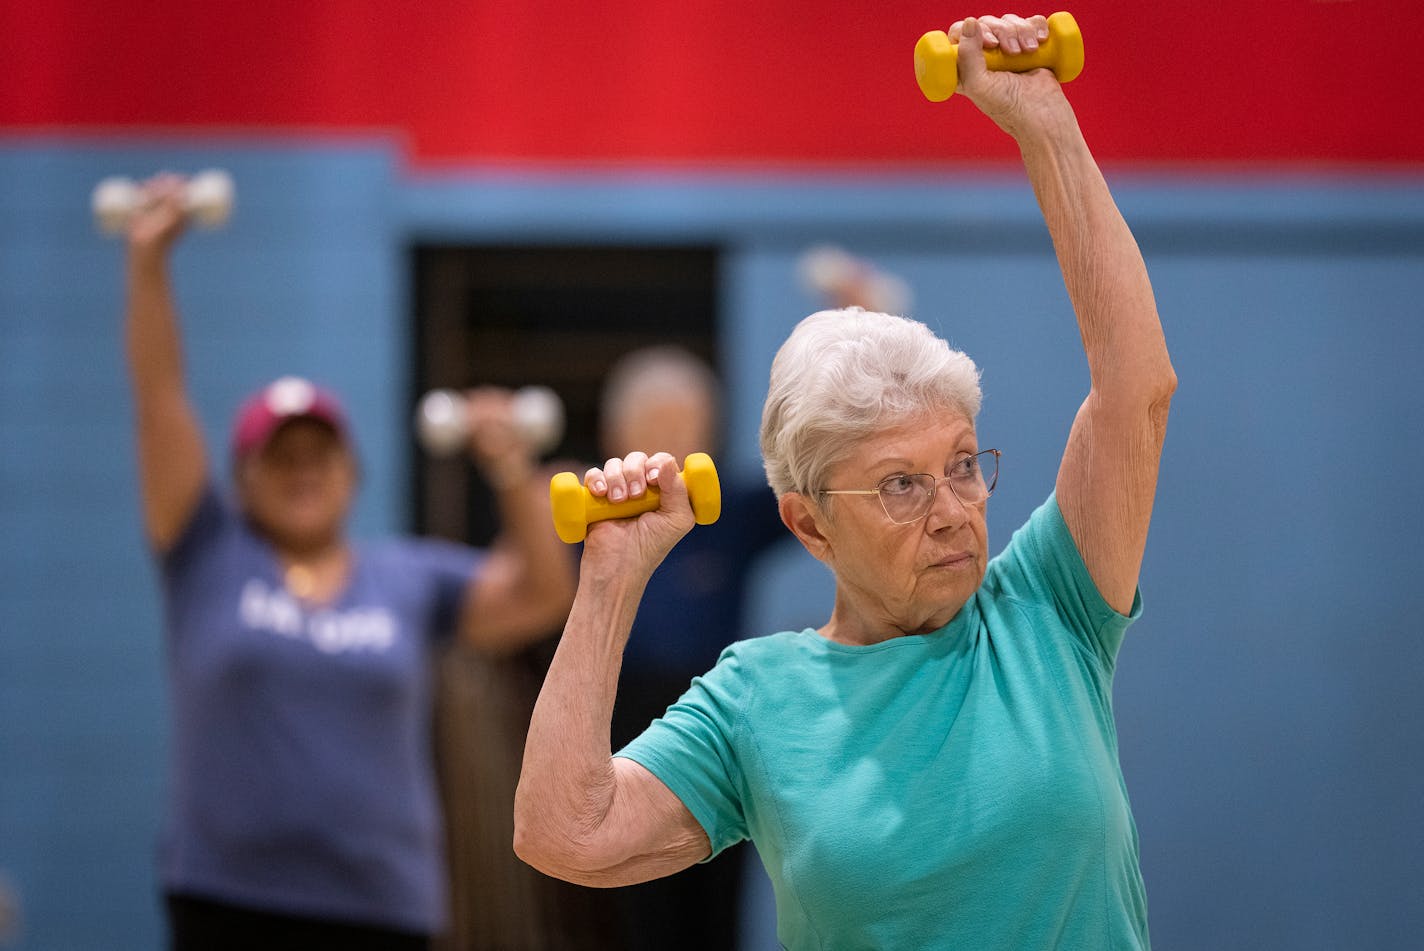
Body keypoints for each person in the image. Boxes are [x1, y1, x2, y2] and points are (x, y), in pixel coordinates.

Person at [513, 13, 1176, 950]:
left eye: (961, 465)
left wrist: (1044, 125)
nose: (953, 511)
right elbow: (559, 833)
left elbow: (1136, 390)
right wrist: (613, 576)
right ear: (809, 524)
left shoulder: (1049, 608)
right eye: (902, 486)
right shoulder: (759, 699)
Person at [121, 174, 576, 950]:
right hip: (227, 899)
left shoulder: (406, 578)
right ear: (242, 479)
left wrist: (510, 466)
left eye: (320, 455)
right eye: (281, 456)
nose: (303, 470)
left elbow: (541, 594)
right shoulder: (207, 555)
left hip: (379, 907)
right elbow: (161, 399)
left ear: (353, 475)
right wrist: (148, 266)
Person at [598, 346, 790, 951]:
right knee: (630, 904)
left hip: (716, 726)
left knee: (714, 900)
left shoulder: (727, 513)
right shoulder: (594, 512)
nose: (673, 440)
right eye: (656, 424)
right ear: (618, 431)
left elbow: (811, 474)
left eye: (688, 424)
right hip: (621, 726)